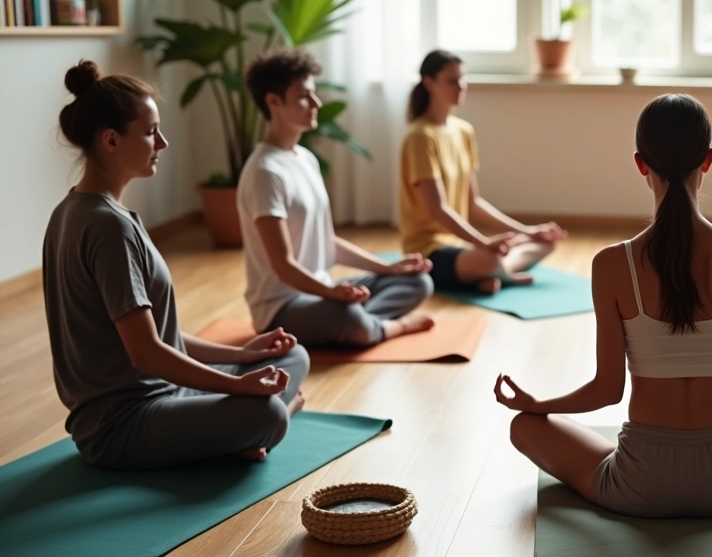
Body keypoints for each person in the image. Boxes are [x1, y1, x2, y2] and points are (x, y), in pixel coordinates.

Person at [493, 94, 712, 518]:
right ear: (707, 160)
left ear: (640, 163)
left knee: (524, 426)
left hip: (638, 485)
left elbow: (607, 390)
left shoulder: (614, 263)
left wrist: (536, 404)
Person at [44, 60, 309, 468]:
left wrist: (241, 352)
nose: (163, 142)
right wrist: (238, 384)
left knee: (293, 358)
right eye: (151, 132)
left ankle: (234, 436)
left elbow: (156, 336)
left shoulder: (74, 211)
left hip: (162, 395)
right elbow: (146, 353)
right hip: (121, 425)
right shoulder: (106, 227)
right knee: (269, 412)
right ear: (111, 140)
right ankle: (258, 428)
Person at [239, 49, 435, 348]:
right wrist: (332, 295)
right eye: (304, 96)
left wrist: (388, 268)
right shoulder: (265, 172)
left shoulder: (305, 158)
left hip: (324, 291)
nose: (316, 103)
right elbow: (283, 265)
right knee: (349, 317)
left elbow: (326, 241)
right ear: (273, 101)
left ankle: (363, 325)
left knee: (418, 281)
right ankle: (389, 326)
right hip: (282, 307)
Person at [399, 50, 566, 294]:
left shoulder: (463, 131)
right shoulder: (420, 137)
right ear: (429, 83)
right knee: (488, 259)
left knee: (546, 242)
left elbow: (473, 202)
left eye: (462, 79)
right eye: (452, 81)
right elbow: (438, 209)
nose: (461, 86)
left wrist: (528, 231)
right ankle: (495, 271)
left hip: (460, 245)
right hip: (428, 251)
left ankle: (491, 274)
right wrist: (484, 243)